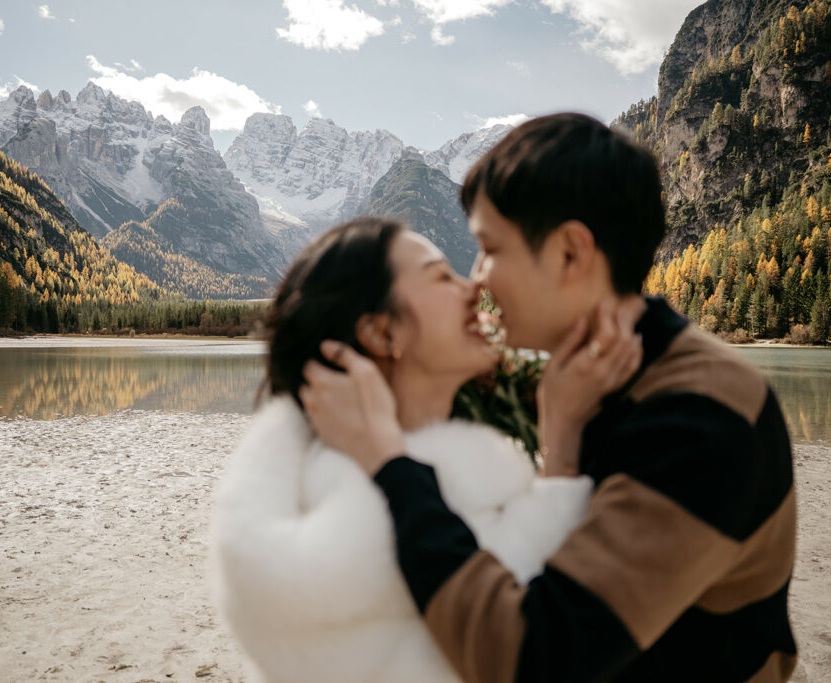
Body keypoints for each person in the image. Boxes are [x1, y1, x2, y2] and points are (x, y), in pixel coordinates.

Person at [300, 114, 798, 682]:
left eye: (489, 248)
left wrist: (390, 464)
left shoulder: (700, 414)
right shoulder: (598, 381)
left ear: (570, 254)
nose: (477, 279)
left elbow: (532, 659)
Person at [211, 217, 642, 682]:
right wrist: (562, 447)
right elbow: (527, 645)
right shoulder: (360, 510)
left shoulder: (357, 489)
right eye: (442, 277)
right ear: (384, 334)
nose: (473, 288)